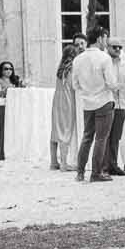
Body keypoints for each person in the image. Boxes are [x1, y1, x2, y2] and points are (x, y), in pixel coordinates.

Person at [70, 26, 118, 182]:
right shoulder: (105, 58)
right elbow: (111, 83)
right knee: (101, 138)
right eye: (105, 38)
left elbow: (75, 85)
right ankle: (96, 173)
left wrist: (87, 90)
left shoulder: (77, 59)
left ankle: (80, 172)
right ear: (99, 39)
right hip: (104, 100)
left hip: (87, 103)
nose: (106, 42)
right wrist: (118, 86)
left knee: (87, 137)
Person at [49, 38, 82, 170]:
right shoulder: (71, 68)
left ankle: (53, 162)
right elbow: (74, 85)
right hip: (68, 101)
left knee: (55, 130)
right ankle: (63, 163)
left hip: (57, 100)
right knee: (66, 130)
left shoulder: (60, 69)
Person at [106, 42, 125, 174]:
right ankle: (108, 165)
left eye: (119, 47)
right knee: (108, 135)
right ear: (108, 47)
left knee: (119, 134)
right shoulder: (106, 61)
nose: (117, 49)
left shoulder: (124, 60)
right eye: (114, 46)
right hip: (109, 101)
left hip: (122, 101)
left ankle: (117, 164)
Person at [0, 60, 21, 161]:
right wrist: (8, 89)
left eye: (10, 68)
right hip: (4, 107)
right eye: (6, 69)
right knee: (3, 128)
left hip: (15, 107)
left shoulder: (15, 80)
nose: (9, 71)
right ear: (1, 70)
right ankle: (1, 152)